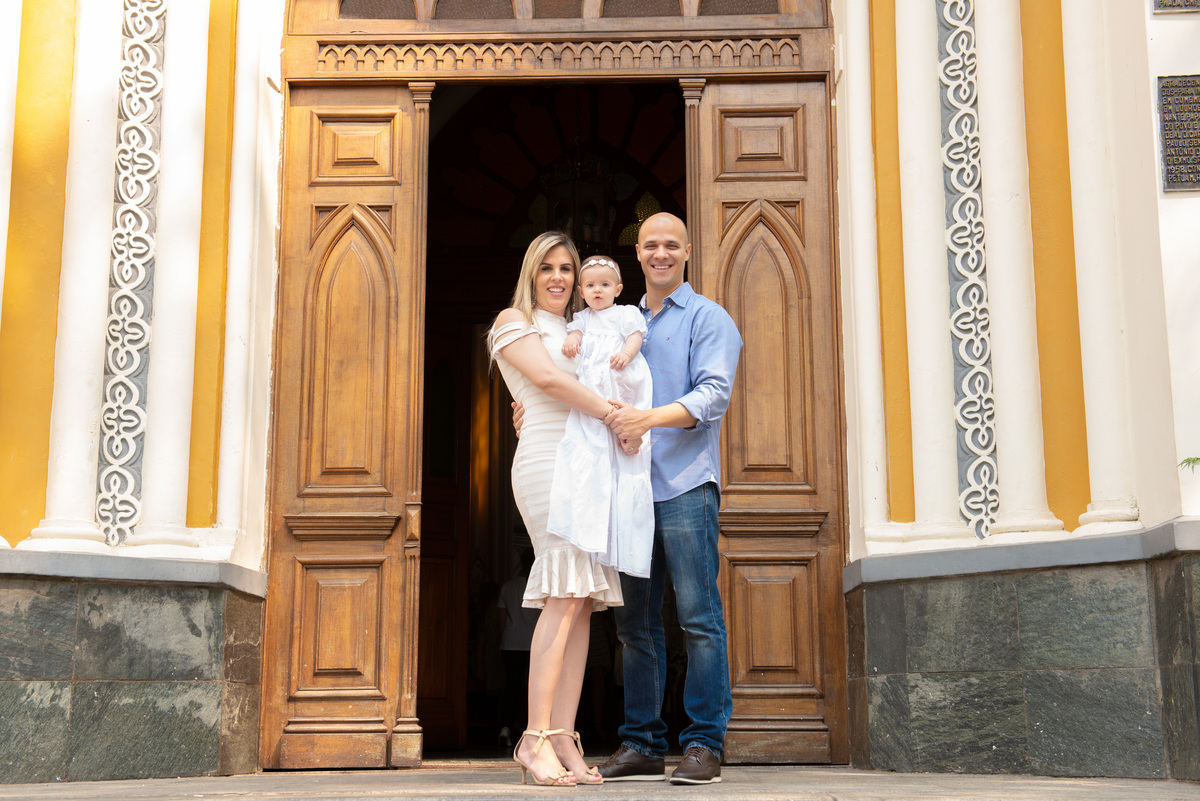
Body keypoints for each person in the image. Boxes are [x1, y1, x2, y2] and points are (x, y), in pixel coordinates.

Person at [516, 212, 742, 785]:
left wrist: (645, 419)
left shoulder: (708, 318)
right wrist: (530, 415)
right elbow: (567, 380)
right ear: (636, 255)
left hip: (683, 482)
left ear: (687, 251)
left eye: (671, 245)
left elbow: (714, 395)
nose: (661, 254)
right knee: (634, 625)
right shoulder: (613, 315)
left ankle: (704, 743)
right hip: (621, 487)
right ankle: (642, 741)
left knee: (697, 618)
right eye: (651, 245)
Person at [488, 230, 634, 787]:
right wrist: (613, 414)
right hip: (547, 462)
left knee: (580, 604)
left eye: (566, 269)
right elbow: (547, 380)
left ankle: (565, 736)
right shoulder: (513, 321)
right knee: (563, 594)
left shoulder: (582, 329)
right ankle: (534, 738)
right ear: (531, 273)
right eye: (547, 267)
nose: (557, 277)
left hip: (586, 467)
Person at [547, 254, 654, 579]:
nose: (597, 291)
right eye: (591, 286)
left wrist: (627, 353)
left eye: (605, 285)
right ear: (581, 291)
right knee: (593, 441)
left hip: (619, 377)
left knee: (625, 422)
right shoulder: (582, 318)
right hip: (593, 391)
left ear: (618, 289)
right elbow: (576, 335)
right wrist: (572, 339)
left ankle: (629, 440)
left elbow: (636, 336)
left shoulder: (625, 313)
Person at [496, 547, 539, 748]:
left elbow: (501, 619)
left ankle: (505, 727)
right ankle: (530, 729)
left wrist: (502, 639)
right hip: (534, 643)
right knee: (534, 688)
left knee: (512, 686)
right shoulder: (539, 587)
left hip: (510, 642)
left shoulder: (508, 586)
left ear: (521, 563)